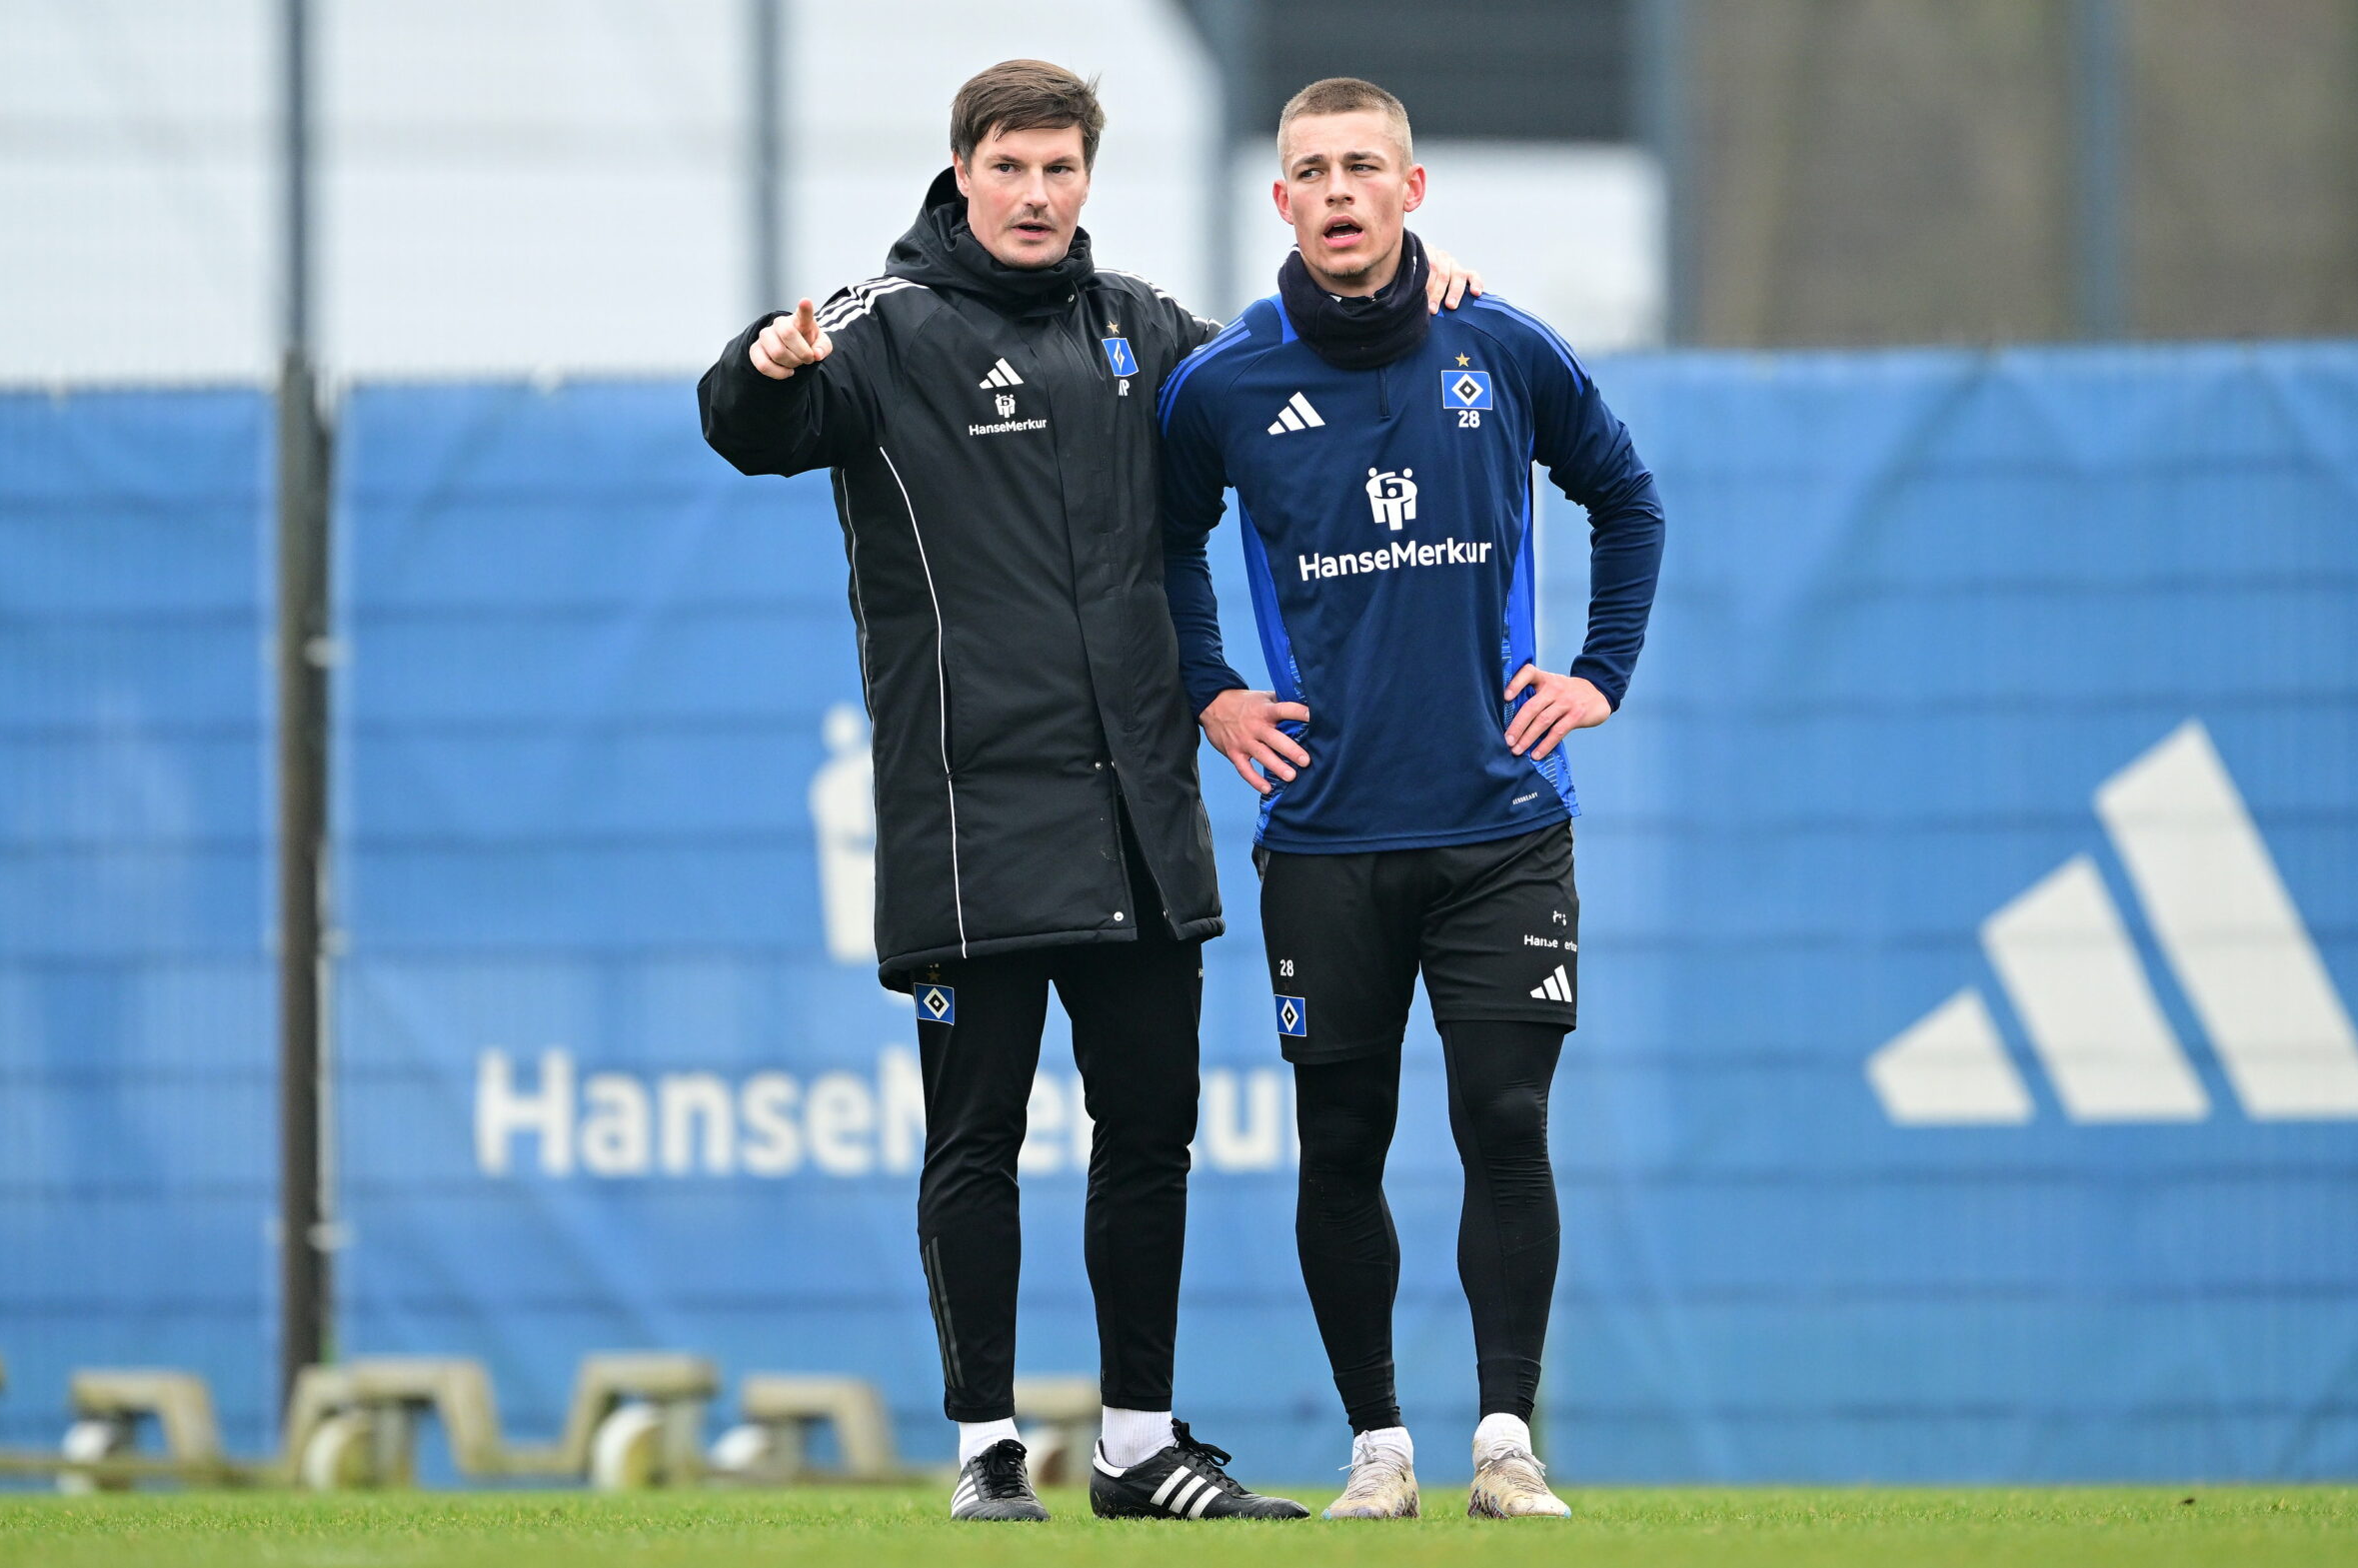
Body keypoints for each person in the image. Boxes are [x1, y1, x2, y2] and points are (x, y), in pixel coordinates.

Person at [698, 60, 1473, 1524]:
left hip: (1137, 818)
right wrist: (765, 359)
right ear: (963, 172)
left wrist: (1425, 294)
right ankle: (988, 1446)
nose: (1038, 195)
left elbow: (1286, 364)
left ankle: (1134, 1440)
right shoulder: (885, 327)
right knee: (976, 1138)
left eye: (1061, 170)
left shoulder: (1145, 334)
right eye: (1012, 169)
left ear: (1086, 181)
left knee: (1148, 1131)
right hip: (971, 820)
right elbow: (744, 422)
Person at [1157, 77, 1666, 1521]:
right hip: (1325, 835)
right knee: (1344, 1138)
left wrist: (1597, 674)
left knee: (1505, 1116)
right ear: (1281, 202)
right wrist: (1213, 689)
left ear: (1411, 189)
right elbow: (1163, 539)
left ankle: (1506, 1441)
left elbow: (1625, 497)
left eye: (1361, 166)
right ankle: (1379, 1449)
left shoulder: (1496, 344)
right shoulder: (1226, 382)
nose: (1337, 190)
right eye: (1310, 169)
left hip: (1505, 821)